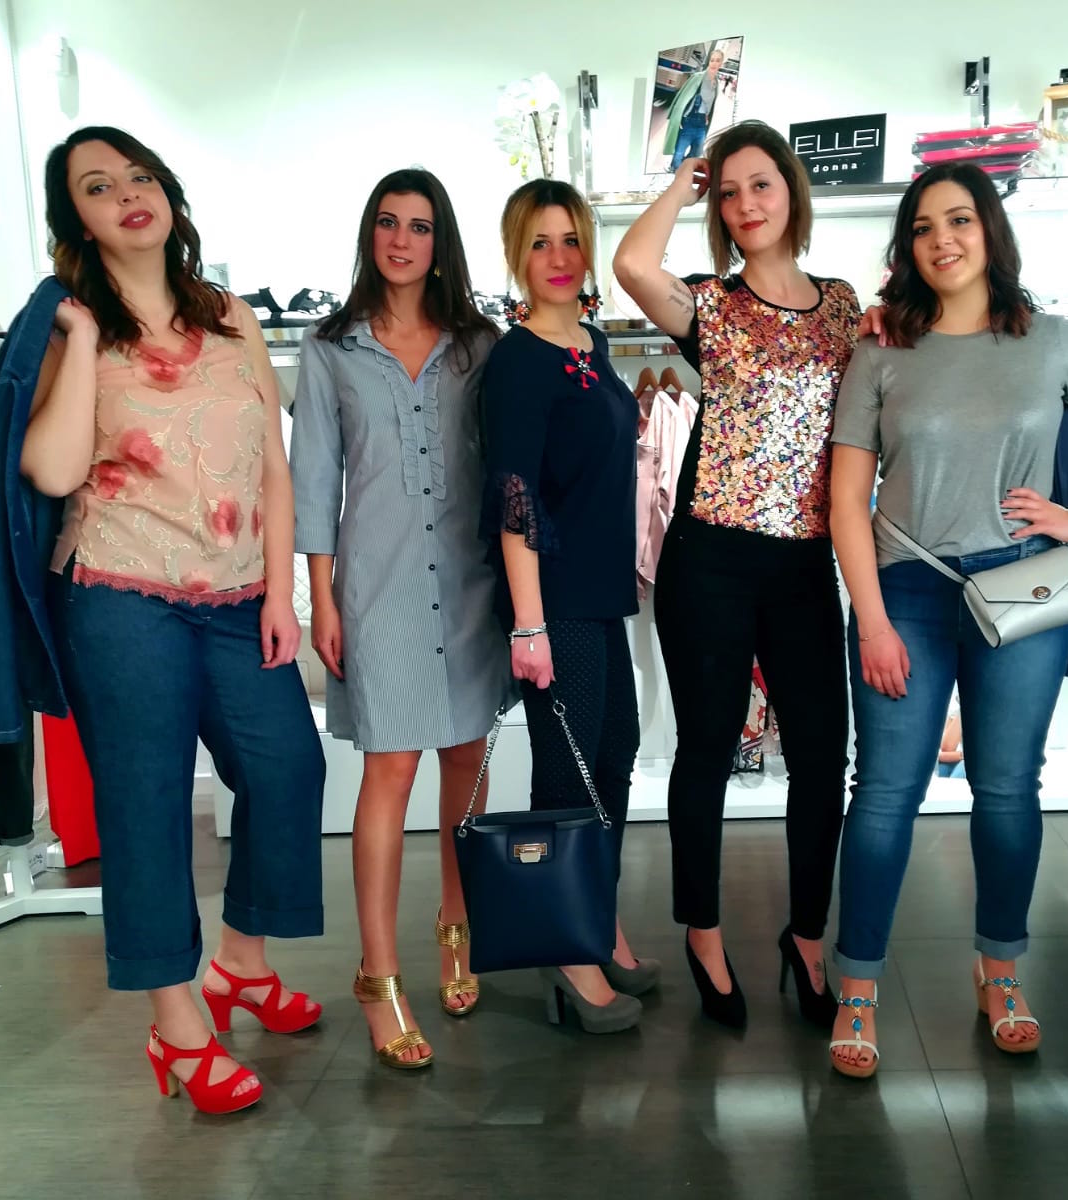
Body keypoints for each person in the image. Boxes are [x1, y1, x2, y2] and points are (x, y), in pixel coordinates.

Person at [825, 163, 1068, 1076]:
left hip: (1024, 588)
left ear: (989, 231)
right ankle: (857, 987)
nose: (942, 239)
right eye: (923, 226)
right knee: (884, 794)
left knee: (1010, 790)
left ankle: (1002, 973)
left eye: (960, 220)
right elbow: (846, 499)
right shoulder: (882, 351)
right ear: (906, 246)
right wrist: (871, 619)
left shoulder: (1049, 341)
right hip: (907, 590)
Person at [20, 127, 325, 1114]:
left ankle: (240, 963)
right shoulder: (69, 328)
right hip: (120, 594)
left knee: (288, 769)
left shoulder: (231, 317)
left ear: (169, 196)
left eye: (138, 176)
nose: (126, 194)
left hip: (238, 599)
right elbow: (53, 472)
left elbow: (272, 465)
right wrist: (78, 341)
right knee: (146, 805)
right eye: (97, 187)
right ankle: (177, 1023)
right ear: (79, 222)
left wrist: (280, 593)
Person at [614, 121, 861, 1029]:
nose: (746, 204)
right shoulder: (709, 305)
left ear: (792, 191)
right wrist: (683, 181)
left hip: (804, 560)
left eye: (761, 185)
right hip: (710, 560)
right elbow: (632, 266)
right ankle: (704, 931)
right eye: (729, 193)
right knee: (708, 750)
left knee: (822, 757)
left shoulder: (843, 306)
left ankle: (807, 935)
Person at [291, 168, 509, 1070]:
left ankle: (458, 925)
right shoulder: (329, 348)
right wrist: (321, 596)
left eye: (419, 226)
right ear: (369, 234)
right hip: (377, 586)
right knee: (389, 769)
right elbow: (314, 479)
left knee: (465, 758)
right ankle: (378, 976)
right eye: (387, 222)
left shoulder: (479, 346)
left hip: (468, 582)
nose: (401, 240)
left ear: (440, 241)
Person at [482, 178, 654, 1034]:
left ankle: (598, 918)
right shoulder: (517, 360)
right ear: (517, 254)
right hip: (552, 603)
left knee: (612, 755)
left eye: (571, 240)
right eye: (541, 242)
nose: (559, 258)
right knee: (567, 775)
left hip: (599, 595)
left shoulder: (591, 342)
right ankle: (568, 952)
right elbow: (514, 494)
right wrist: (529, 623)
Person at [665, 47, 728, 173]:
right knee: (679, 152)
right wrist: (679, 117)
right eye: (712, 60)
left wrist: (707, 117)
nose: (714, 63)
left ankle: (682, 167)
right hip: (689, 120)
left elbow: (710, 104)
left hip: (701, 124)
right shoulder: (697, 77)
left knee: (696, 152)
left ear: (721, 63)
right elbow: (683, 97)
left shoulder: (716, 82)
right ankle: (674, 170)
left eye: (717, 60)